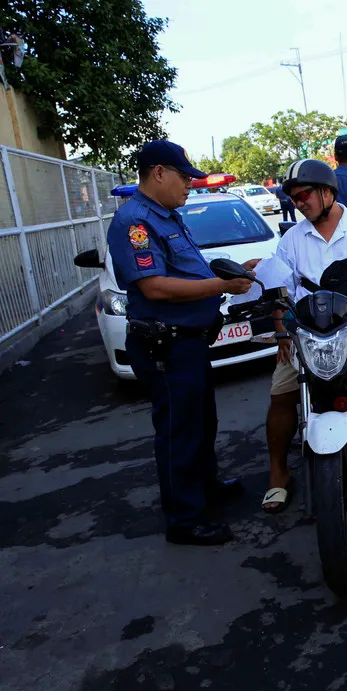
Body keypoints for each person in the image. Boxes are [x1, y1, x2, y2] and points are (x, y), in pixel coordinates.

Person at [107, 140, 258, 546]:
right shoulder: (136, 222)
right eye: (184, 177)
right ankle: (185, 519)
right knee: (179, 430)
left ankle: (204, 487)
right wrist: (222, 284)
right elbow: (155, 287)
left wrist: (231, 273)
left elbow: (187, 271)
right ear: (158, 172)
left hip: (188, 343)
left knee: (200, 421)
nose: (189, 185)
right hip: (165, 345)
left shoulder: (167, 216)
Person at [261, 158, 347, 512]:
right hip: (309, 335)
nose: (299, 202)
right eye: (294, 198)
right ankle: (278, 474)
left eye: (305, 194)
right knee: (282, 395)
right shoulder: (291, 240)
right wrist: (282, 333)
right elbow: (279, 290)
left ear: (328, 192)